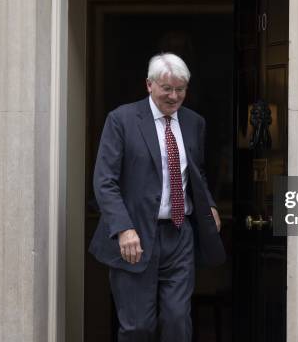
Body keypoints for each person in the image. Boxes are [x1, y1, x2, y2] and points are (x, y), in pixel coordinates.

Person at [89, 53, 225, 342]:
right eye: (167, 89)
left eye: (181, 89)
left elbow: (196, 172)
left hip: (179, 235)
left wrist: (209, 204)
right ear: (149, 85)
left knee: (177, 321)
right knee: (138, 327)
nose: (174, 96)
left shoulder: (194, 122)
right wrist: (123, 228)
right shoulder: (122, 120)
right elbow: (105, 181)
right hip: (134, 236)